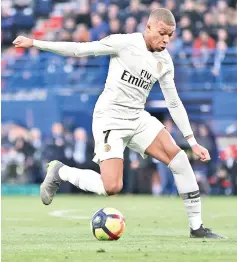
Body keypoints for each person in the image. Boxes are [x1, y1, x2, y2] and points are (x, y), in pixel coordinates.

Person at [13, 8, 225, 239]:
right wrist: (35, 42)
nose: (165, 39)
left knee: (180, 159)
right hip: (110, 118)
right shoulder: (124, 43)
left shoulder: (164, 61)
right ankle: (60, 171)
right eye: (162, 33)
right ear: (149, 27)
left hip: (137, 117)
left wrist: (192, 141)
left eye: (170, 35)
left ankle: (197, 228)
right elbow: (80, 49)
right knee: (111, 187)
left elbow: (174, 103)